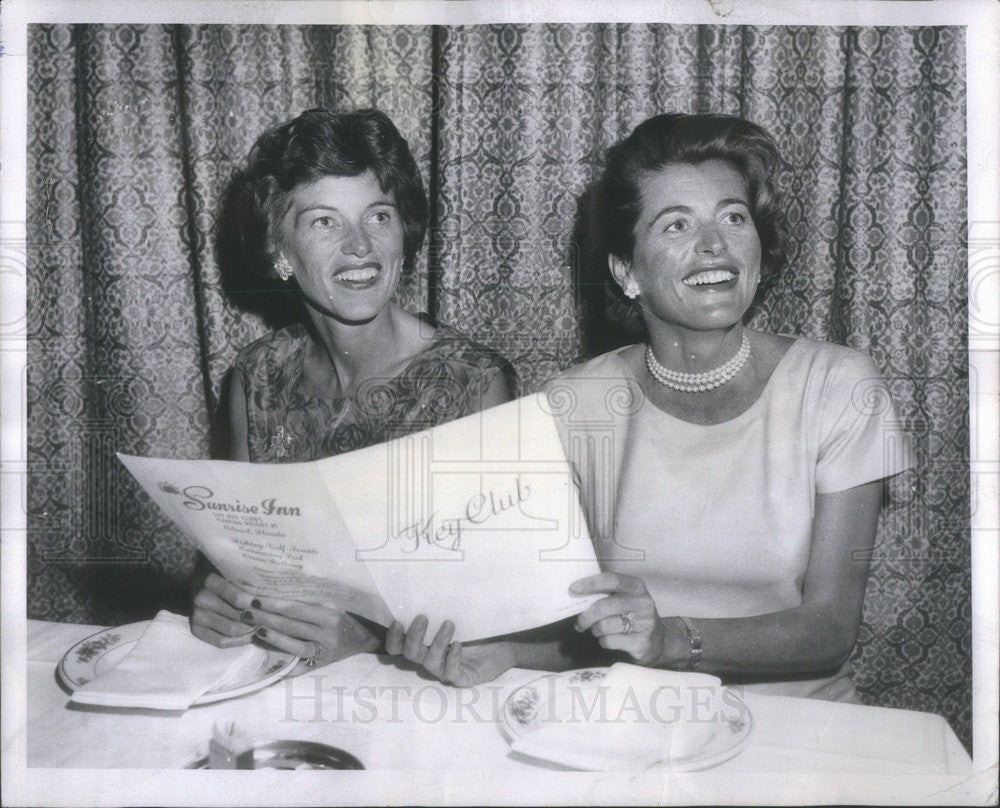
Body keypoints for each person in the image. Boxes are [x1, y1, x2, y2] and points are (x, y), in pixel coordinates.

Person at [389, 112, 913, 701]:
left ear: (759, 252)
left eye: (734, 218)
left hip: (798, 740)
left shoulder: (839, 386)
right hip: (633, 727)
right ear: (626, 271)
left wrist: (671, 641)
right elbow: (593, 631)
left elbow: (830, 630)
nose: (714, 244)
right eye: (676, 225)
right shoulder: (573, 402)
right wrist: (505, 653)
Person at [191, 109, 515, 670]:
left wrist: (367, 637)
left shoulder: (475, 383)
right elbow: (241, 561)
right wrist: (222, 603)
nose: (360, 246)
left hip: (421, 699)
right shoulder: (254, 378)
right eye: (324, 222)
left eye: (379, 217)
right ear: (279, 251)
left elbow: (505, 606)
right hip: (284, 682)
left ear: (403, 236)